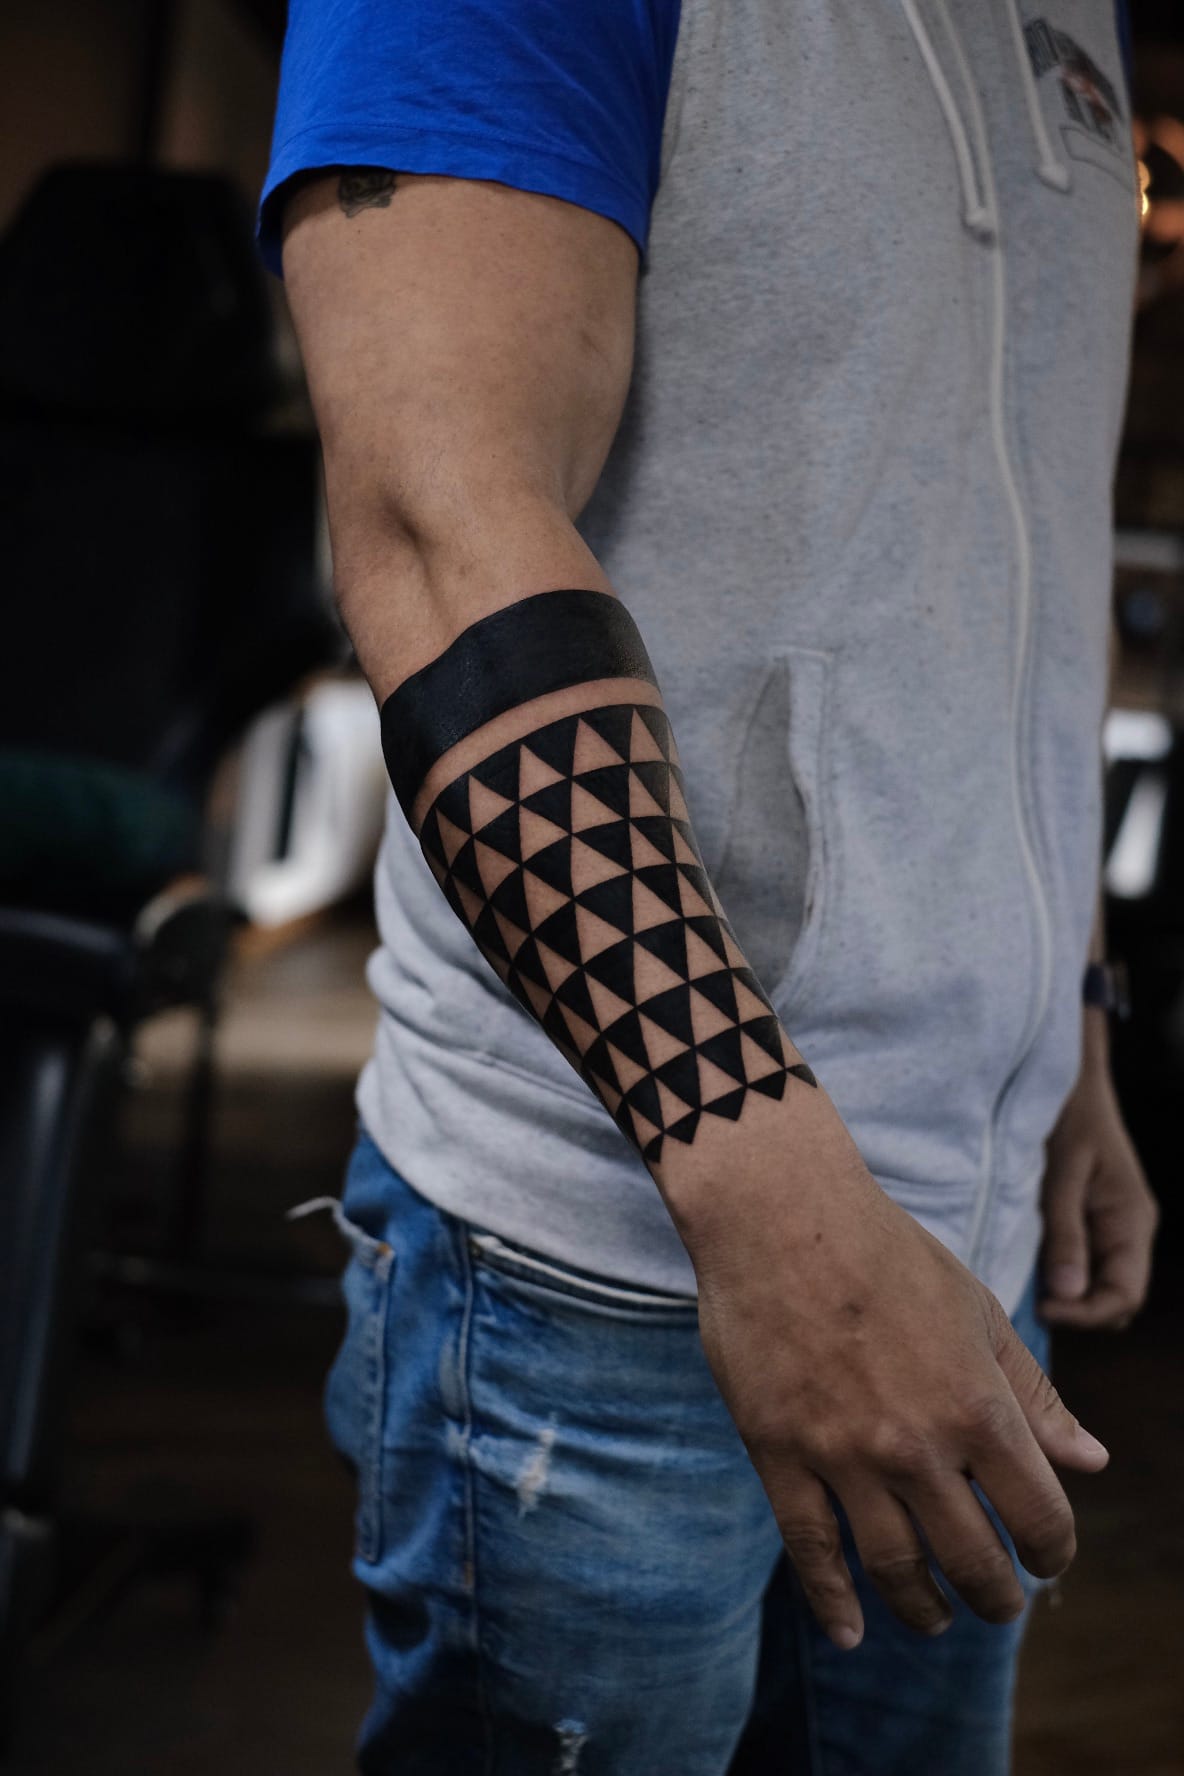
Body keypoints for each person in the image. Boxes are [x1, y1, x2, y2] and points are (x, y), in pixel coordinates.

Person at [257, 1, 1160, 1769]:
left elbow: (1006, 563)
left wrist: (1064, 1023)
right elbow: (442, 527)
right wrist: (780, 1210)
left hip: (962, 1248)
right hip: (626, 1248)